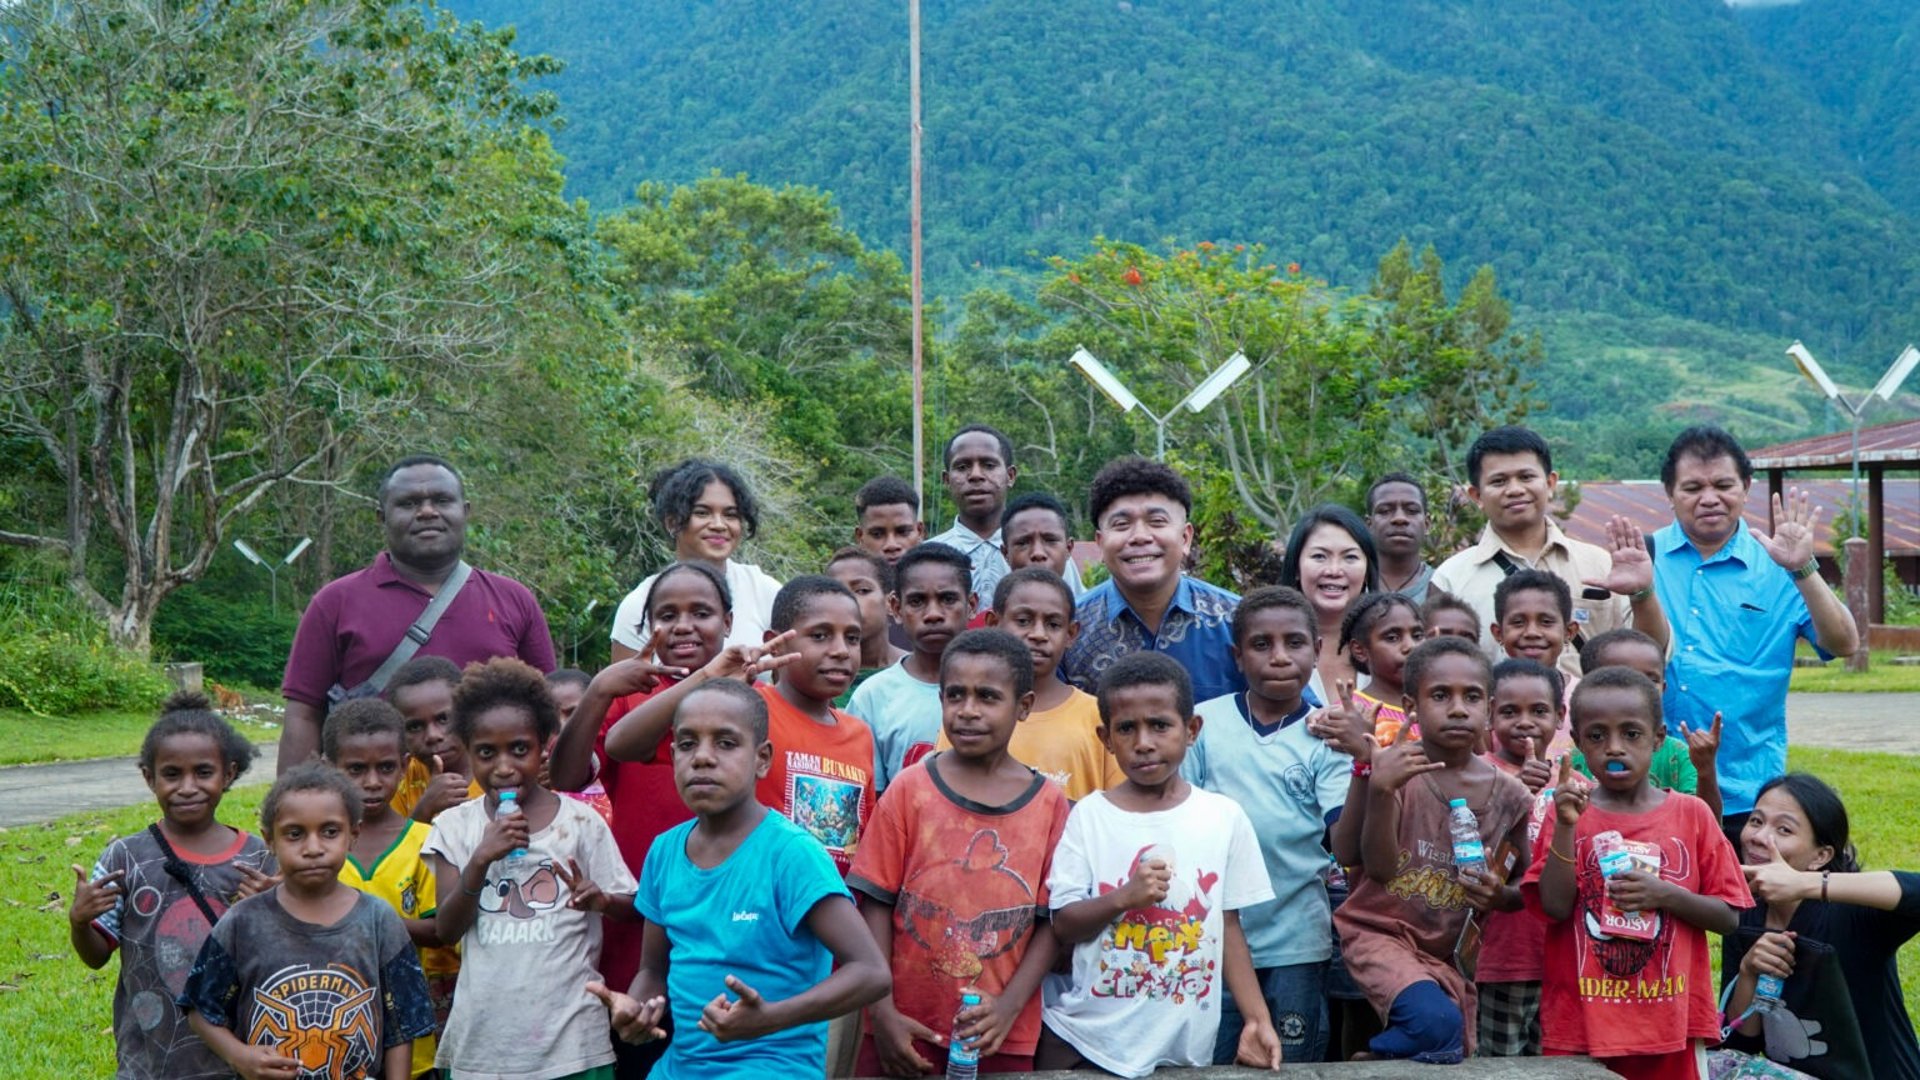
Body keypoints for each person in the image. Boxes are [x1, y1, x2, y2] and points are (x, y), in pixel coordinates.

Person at [586, 680, 892, 1078]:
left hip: (772, 1067)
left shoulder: (792, 854)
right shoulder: (664, 851)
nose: (703, 758)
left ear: (762, 759)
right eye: (688, 743)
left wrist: (769, 1018)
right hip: (681, 1067)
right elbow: (653, 970)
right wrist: (641, 1009)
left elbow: (871, 973)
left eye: (726, 743)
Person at [1038, 652, 1282, 1076]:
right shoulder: (1090, 816)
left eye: (1160, 725)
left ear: (1191, 730)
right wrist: (1123, 898)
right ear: (1105, 738)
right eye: (1127, 729)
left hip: (1182, 1046)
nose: (1144, 742)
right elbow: (1064, 924)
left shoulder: (1223, 818)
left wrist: (1257, 1018)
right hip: (1086, 1040)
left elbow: (1228, 926)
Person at [850, 629, 1072, 1076]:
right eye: (956, 695)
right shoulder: (910, 789)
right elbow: (874, 903)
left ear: (1023, 707)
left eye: (988, 697)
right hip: (902, 1026)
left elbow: (1052, 922)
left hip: (999, 1032)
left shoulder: (1049, 804)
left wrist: (1008, 1008)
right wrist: (883, 1012)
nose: (968, 711)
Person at [1525, 666, 1750, 1078]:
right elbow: (1554, 908)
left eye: (1631, 734)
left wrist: (1665, 895)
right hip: (1581, 1025)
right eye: (1597, 736)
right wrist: (1566, 826)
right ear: (1576, 745)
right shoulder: (1570, 813)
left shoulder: (1692, 814)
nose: (1614, 748)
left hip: (1670, 1026)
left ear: (1658, 739)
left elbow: (1729, 917)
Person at [424, 658, 638, 1079]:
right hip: (484, 1050)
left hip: (574, 1047)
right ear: (468, 753)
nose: (504, 767)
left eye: (519, 749)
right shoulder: (454, 827)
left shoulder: (580, 823)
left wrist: (603, 900)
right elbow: (445, 930)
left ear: (545, 745)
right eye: (486, 753)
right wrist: (482, 858)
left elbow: (630, 907)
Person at [550, 561, 721, 1080]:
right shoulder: (628, 700)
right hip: (635, 926)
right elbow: (567, 774)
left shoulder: (749, 702)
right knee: (638, 1046)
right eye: (668, 615)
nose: (685, 625)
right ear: (647, 631)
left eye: (702, 612)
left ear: (729, 622)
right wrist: (601, 689)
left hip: (719, 926)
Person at [1326, 636, 1533, 1063]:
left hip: (1446, 954)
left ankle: (1377, 1060)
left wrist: (1499, 895)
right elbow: (1377, 867)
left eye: (1472, 697)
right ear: (1411, 706)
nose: (1458, 708)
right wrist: (1380, 789)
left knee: (1448, 1046)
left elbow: (1521, 886)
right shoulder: (1396, 769)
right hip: (1380, 933)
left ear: (1489, 709)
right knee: (1437, 1027)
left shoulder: (1511, 797)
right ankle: (1368, 1063)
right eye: (1440, 695)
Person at [280, 454, 556, 771]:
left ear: (465, 512)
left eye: (441, 500)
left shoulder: (514, 599)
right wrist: (295, 800)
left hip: (495, 801)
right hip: (377, 805)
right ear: (381, 517)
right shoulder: (334, 602)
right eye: (409, 504)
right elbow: (304, 712)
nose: (427, 511)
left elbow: (546, 704)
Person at [1649, 425, 1859, 840]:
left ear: (1746, 488)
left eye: (1723, 484)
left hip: (1746, 794)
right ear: (1669, 493)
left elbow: (1844, 644)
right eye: (1692, 487)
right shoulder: (1643, 559)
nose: (1709, 498)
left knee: (1744, 905)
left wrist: (1803, 567)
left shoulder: (1780, 565)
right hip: (1650, 785)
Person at [605, 575, 877, 878]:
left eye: (852, 638)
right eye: (820, 636)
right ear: (775, 642)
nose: (841, 650)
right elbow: (620, 744)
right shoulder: (745, 709)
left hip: (826, 906)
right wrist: (708, 677)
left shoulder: (860, 734)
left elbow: (859, 845)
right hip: (749, 903)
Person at [179, 763, 436, 1080]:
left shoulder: (379, 920)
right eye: (295, 834)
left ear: (353, 835)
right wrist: (240, 1057)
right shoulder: (242, 922)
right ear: (270, 840)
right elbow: (199, 1009)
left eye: (330, 832)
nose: (313, 848)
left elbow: (402, 1026)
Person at [68, 692, 275, 1080]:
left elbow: (283, 952)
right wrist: (80, 922)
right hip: (149, 1060)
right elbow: (96, 956)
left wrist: (270, 909)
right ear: (150, 777)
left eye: (203, 772)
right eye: (172, 774)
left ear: (228, 774)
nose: (187, 787)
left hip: (241, 1057)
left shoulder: (260, 859)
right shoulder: (123, 859)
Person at [1185, 585, 1349, 1064]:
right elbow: (1181, 817)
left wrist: (1366, 762)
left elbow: (1342, 836)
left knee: (1291, 1062)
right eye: (1261, 645)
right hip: (1210, 936)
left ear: (1316, 651)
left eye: (1294, 643)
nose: (1279, 657)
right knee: (1213, 1058)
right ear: (1238, 656)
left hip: (1297, 936)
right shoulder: (1202, 725)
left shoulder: (1328, 734)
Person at [1429, 426, 1669, 680]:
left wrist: (1642, 594)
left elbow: (1654, 654)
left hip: (1589, 717)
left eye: (1526, 477)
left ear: (1550, 483)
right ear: (1476, 495)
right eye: (1499, 481)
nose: (1515, 489)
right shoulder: (1452, 578)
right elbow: (1433, 666)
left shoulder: (1601, 565)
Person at [1729, 773, 1920, 1078]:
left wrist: (1807, 884)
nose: (1759, 837)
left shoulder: (1853, 914)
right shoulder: (1744, 911)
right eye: (1756, 821)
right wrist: (1748, 972)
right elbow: (1741, 1043)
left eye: (1784, 829)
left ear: (1821, 856)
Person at [323, 699, 453, 1078]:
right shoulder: (316, 845)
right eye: (356, 769)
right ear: (330, 768)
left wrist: (361, 916)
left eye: (386, 767)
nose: (373, 782)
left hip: (411, 1039)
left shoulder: (427, 841)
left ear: (405, 763)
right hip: (329, 1035)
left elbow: (439, 931)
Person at [1061, 456, 1245, 704]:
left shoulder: (1239, 623)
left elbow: (1296, 715)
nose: (1139, 536)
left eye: (1157, 522)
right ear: (1100, 543)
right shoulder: (1067, 632)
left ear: (1185, 538)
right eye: (1122, 524)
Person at [945, 567, 1122, 800]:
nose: (1039, 634)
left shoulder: (1099, 716)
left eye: (1053, 624)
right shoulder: (970, 714)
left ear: (1071, 634)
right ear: (993, 623)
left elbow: (1120, 809)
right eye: (1023, 621)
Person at [1474, 657, 1567, 1058]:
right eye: (1510, 711)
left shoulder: (1576, 785)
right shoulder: (1477, 776)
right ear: (1490, 714)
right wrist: (1514, 792)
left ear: (1560, 716)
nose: (1525, 722)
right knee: (1499, 1065)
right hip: (1500, 958)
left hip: (1559, 960)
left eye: (1539, 711)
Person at [610, 458, 783, 661]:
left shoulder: (764, 592)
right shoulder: (638, 606)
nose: (719, 525)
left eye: (730, 515)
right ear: (672, 523)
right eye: (702, 513)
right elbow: (624, 691)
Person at [845, 542, 973, 792]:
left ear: (971, 604)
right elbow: (868, 796)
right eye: (917, 601)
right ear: (896, 608)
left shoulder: (999, 689)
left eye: (948, 599)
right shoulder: (873, 697)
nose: (934, 613)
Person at [1577, 628, 1721, 818]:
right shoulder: (1574, 759)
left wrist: (1706, 771)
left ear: (1664, 687)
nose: (1638, 688)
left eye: (1650, 679)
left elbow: (1704, 828)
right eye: (1622, 678)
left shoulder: (1678, 756)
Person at [1280, 505, 1380, 700]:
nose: (1334, 570)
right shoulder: (1265, 648)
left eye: (1350, 557)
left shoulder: (1392, 647)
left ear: (1368, 570)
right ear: (1297, 567)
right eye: (1319, 556)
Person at [928, 424, 1018, 616]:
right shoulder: (927, 557)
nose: (976, 475)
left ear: (1010, 476)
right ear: (946, 479)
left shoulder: (1042, 552)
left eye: (989, 465)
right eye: (962, 467)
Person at [387, 656, 481, 823]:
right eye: (415, 727)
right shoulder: (400, 780)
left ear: (467, 712)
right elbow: (395, 847)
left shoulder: (495, 768)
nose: (432, 735)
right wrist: (424, 809)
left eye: (444, 719)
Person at [825, 546, 907, 705]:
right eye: (835, 592)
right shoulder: (817, 676)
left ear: (891, 602)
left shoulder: (914, 672)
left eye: (862, 590)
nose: (847, 601)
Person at [1340, 592, 1424, 746]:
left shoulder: (1438, 705)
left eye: (1417, 635)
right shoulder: (1350, 713)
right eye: (1392, 638)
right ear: (1360, 650)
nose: (1411, 646)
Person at [1001, 491, 1088, 596]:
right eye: (1023, 543)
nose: (1038, 553)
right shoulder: (994, 613)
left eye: (1050, 540)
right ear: (1005, 553)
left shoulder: (1093, 610)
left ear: (1068, 548)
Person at [1366, 473, 1436, 603]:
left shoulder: (1444, 585)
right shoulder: (1351, 585)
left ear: (1427, 524)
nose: (1399, 518)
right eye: (1385, 511)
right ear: (1369, 525)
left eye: (1412, 510)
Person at [853, 475, 927, 567]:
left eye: (903, 532)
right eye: (877, 534)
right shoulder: (843, 580)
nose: (891, 545)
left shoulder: (944, 580)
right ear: (860, 536)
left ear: (920, 531)